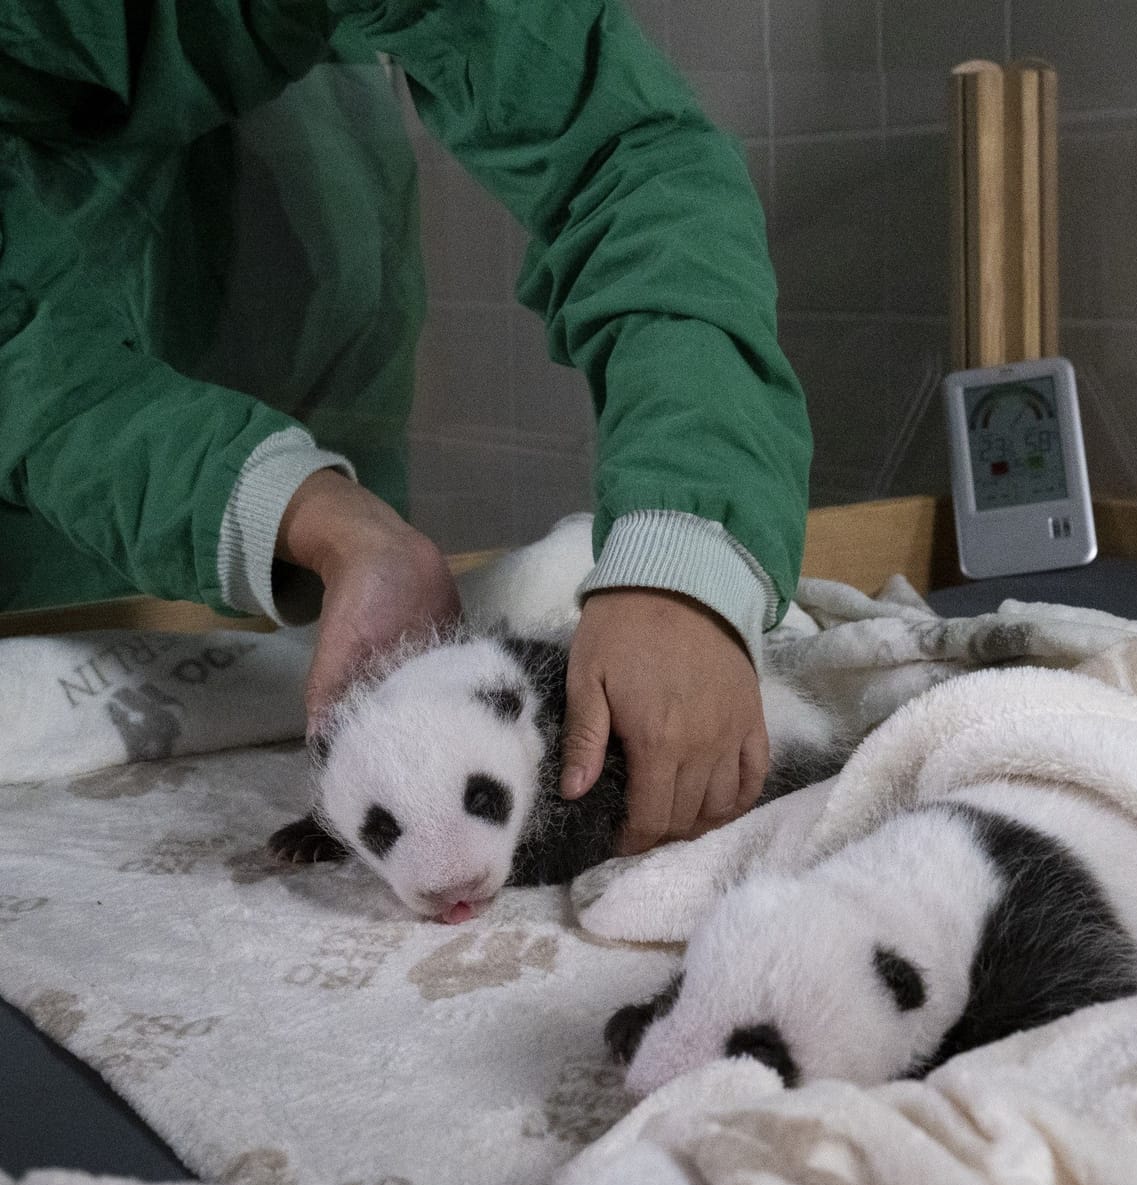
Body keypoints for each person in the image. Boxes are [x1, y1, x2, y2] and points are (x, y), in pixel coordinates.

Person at [0, 1, 811, 853]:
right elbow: (24, 355)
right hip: (42, 513)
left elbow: (621, 149)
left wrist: (686, 549)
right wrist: (299, 513)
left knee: (359, 657)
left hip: (295, 207)